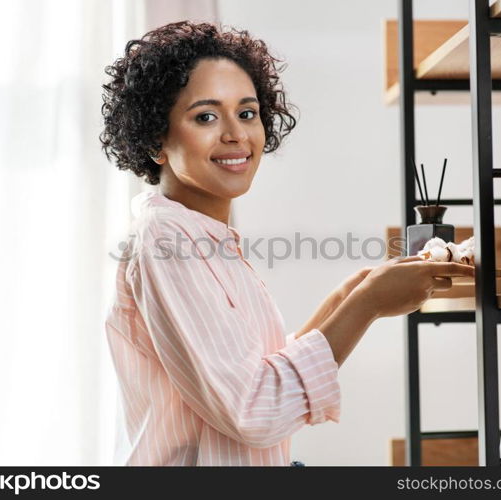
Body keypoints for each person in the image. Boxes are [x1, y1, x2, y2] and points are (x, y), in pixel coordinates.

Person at [100, 21, 474, 466]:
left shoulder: (202, 238)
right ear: (155, 140)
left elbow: (256, 374)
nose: (236, 134)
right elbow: (255, 411)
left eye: (247, 112)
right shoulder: (165, 243)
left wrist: (348, 295)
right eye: (205, 116)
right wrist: (367, 304)